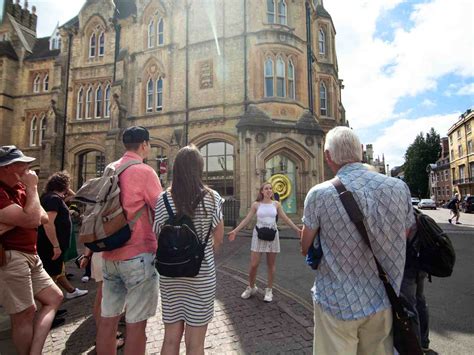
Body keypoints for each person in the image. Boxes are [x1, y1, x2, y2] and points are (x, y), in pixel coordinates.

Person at [300, 127, 416, 355]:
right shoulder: (398, 188)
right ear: (361, 151)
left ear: (327, 156)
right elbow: (403, 235)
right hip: (383, 299)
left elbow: (305, 247)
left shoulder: (319, 194)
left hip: (336, 303)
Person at [96, 126, 162, 355]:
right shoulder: (145, 171)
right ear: (144, 144)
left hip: (109, 254)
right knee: (136, 325)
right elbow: (161, 210)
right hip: (138, 255)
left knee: (107, 320)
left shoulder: (110, 169)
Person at [153, 145, 224, 355]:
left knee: (170, 339)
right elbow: (218, 238)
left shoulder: (163, 199)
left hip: (170, 275)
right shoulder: (212, 198)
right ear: (199, 168)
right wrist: (203, 251)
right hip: (201, 275)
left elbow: (158, 234)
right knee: (195, 344)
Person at [0, 145, 64, 355]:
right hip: (11, 256)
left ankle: (34, 352)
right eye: (22, 164)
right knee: (25, 313)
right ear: (6, 168)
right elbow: (31, 218)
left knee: (54, 297)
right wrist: (33, 190)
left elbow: (42, 217)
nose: (28, 168)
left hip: (32, 254)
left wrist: (23, 217)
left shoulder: (20, 188)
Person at [228, 182, 301, 302]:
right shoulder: (256, 205)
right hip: (258, 235)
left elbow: (286, 218)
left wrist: (297, 230)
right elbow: (247, 219)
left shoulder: (276, 204)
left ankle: (269, 290)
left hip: (272, 235)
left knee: (271, 264)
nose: (269, 190)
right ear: (262, 191)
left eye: (270, 188)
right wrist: (235, 231)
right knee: (253, 264)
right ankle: (251, 287)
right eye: (266, 188)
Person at [37, 171, 88, 300]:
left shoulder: (52, 197)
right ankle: (47, 305)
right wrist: (56, 246)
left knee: (58, 271)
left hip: (53, 244)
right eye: (67, 184)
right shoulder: (53, 199)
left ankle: (71, 291)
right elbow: (48, 223)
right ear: (62, 185)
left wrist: (65, 187)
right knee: (50, 275)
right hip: (51, 245)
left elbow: (75, 197)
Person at [80, 248, 125, 350]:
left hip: (101, 255)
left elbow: (89, 239)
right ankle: (105, 337)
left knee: (102, 295)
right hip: (108, 256)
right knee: (103, 297)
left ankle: (105, 335)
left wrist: (86, 256)